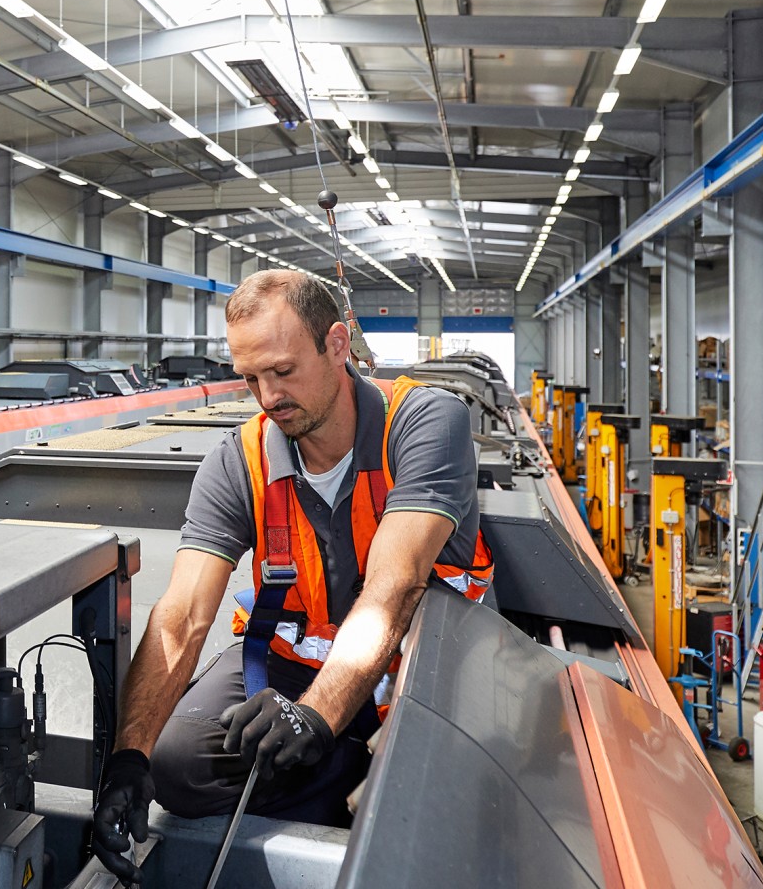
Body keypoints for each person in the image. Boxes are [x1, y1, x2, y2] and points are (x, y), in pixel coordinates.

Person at [89, 271, 494, 881]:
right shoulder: (240, 458)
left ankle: (355, 779)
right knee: (178, 765)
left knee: (438, 809)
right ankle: (341, 777)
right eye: (250, 378)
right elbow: (182, 614)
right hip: (299, 664)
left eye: (282, 371)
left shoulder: (423, 423)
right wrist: (129, 755)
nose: (267, 396)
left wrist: (317, 717)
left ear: (337, 344)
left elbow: (395, 586)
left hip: (426, 666)